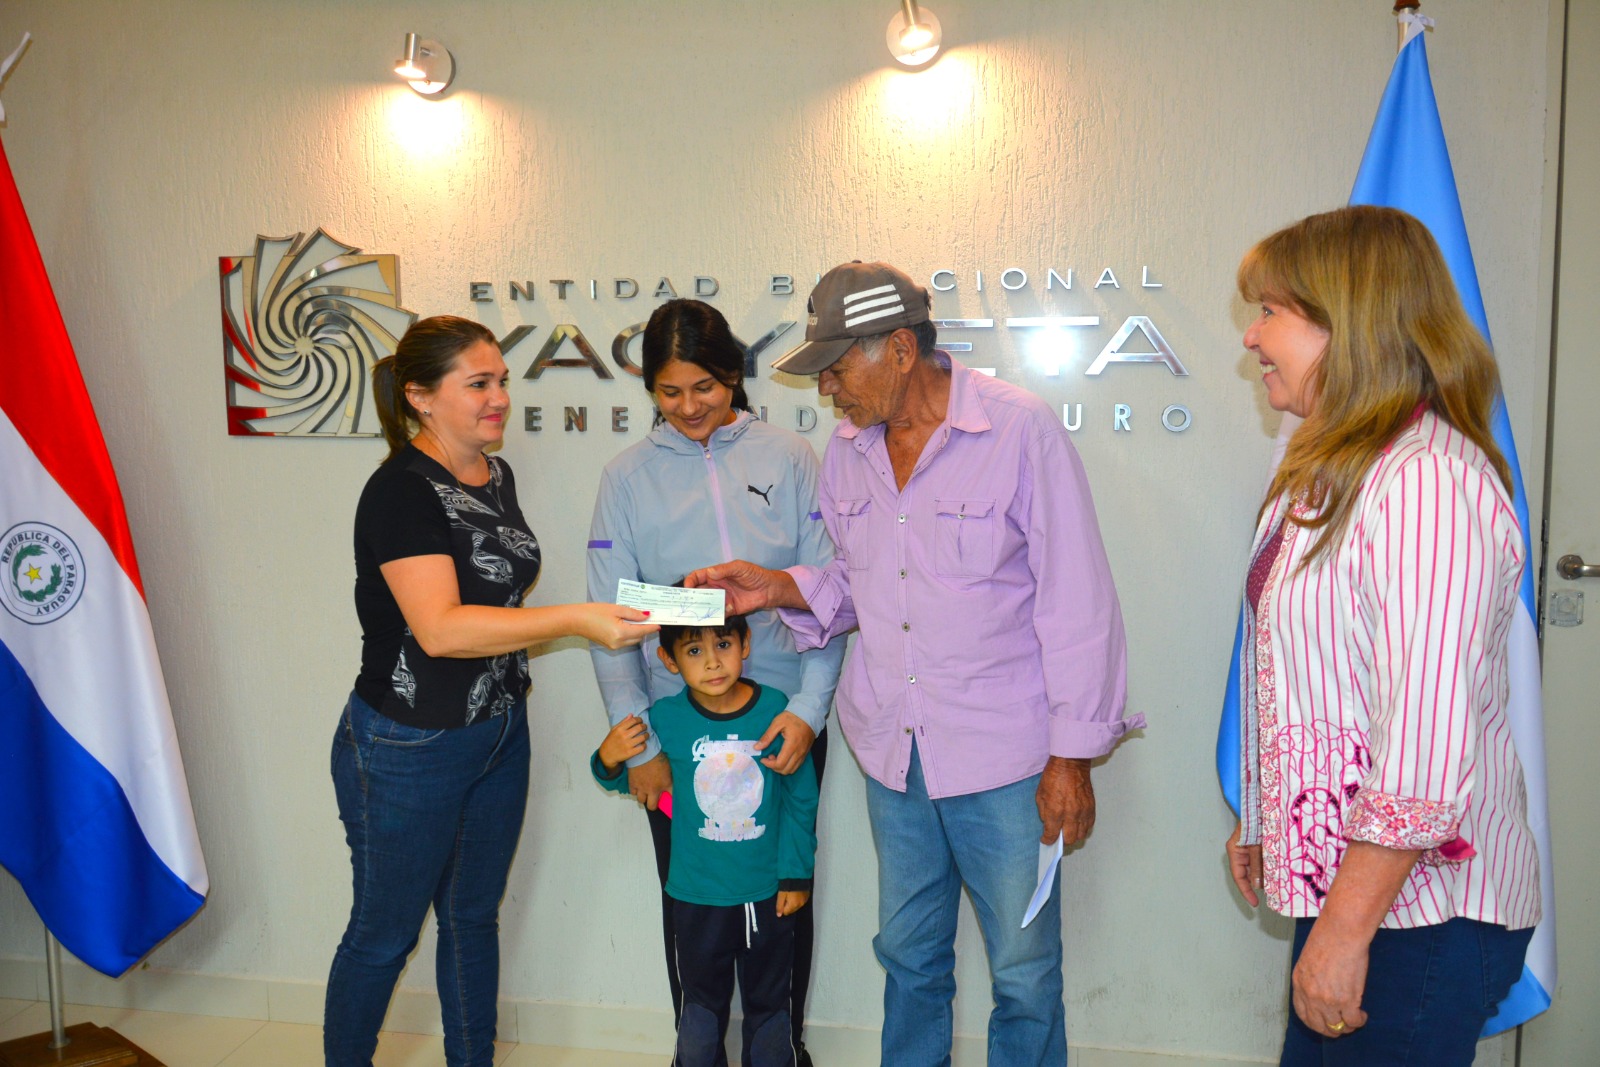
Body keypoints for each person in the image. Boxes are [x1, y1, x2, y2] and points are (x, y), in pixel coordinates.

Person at [686, 261, 1141, 1065]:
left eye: (836, 367)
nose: (827, 388)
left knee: (1024, 973)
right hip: (895, 755)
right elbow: (861, 586)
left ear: (899, 349)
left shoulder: (1019, 430)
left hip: (1005, 760)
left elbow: (1078, 601)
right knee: (909, 959)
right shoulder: (849, 450)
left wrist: (1071, 758)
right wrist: (777, 586)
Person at [1222, 206, 1540, 1065]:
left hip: (1419, 912)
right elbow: (1313, 676)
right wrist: (1267, 814)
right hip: (1358, 893)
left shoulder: (1425, 482)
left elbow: (1425, 747)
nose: (1252, 336)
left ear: (1348, 321)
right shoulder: (1337, 468)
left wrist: (1343, 931)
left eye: (1270, 311)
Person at [326, 315, 656, 1067]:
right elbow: (440, 630)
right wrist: (576, 617)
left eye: (501, 380)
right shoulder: (401, 491)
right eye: (478, 384)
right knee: (383, 937)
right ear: (420, 397)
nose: (500, 397)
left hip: (499, 730)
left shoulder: (492, 473)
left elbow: (495, 601)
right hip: (409, 745)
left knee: (473, 918)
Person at [586, 299, 844, 1065]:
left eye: (704, 386)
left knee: (786, 891)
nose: (689, 406)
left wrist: (809, 711)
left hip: (783, 724)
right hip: (679, 735)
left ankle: (781, 1046)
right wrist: (641, 748)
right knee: (692, 906)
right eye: (669, 391)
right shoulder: (625, 478)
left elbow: (829, 592)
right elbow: (612, 622)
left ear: (732, 373)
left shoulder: (790, 457)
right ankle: (696, 1048)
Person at [592, 614, 819, 1067]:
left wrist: (796, 874)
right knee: (700, 1013)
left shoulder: (776, 710)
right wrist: (608, 759)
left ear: (745, 643)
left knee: (770, 1008)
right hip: (695, 900)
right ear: (669, 660)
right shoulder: (665, 719)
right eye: (694, 650)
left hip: (767, 898)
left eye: (723, 645)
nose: (712, 662)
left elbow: (800, 797)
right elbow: (630, 782)